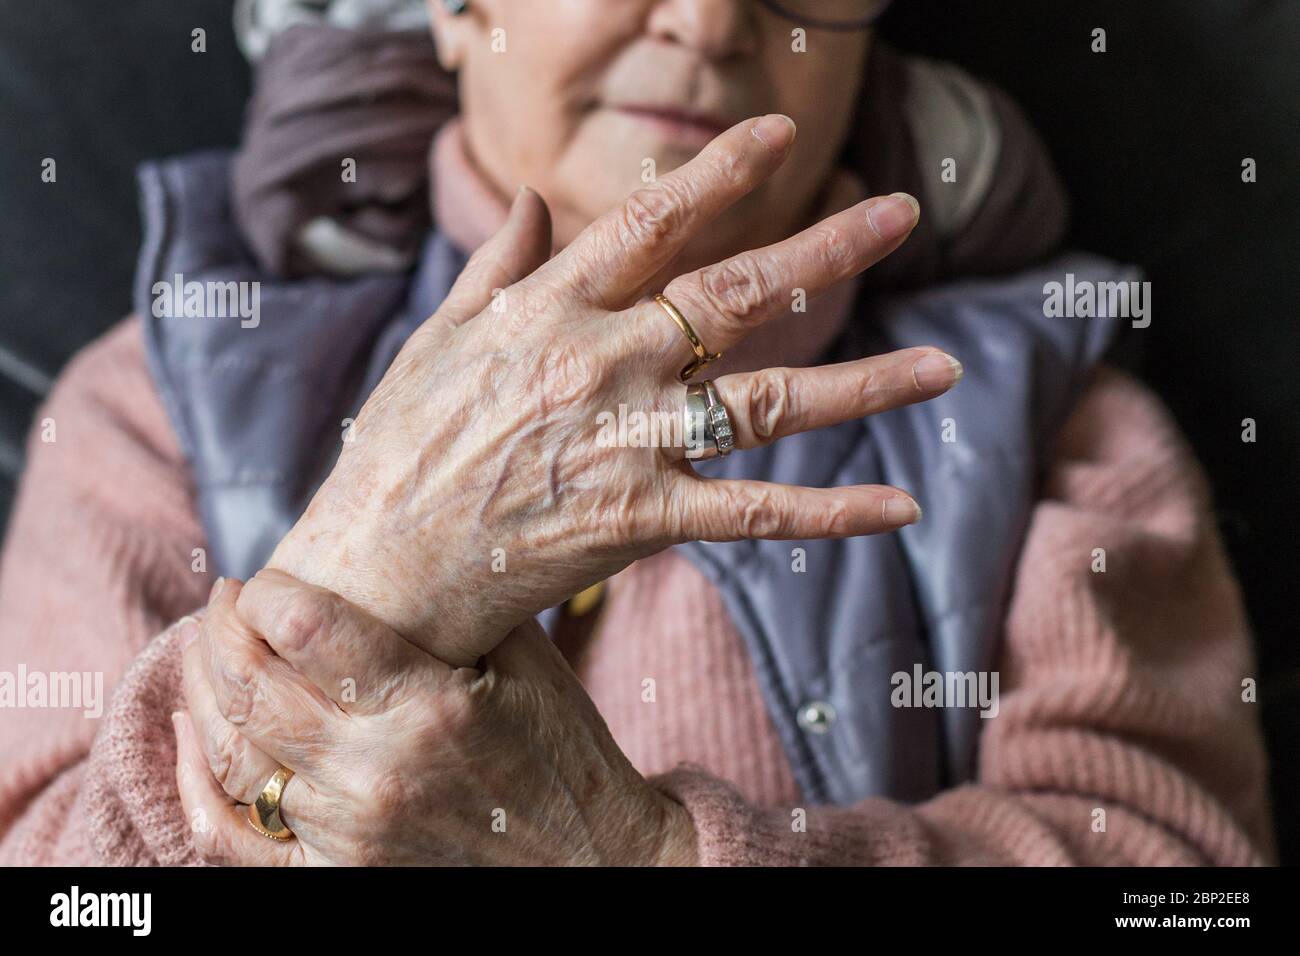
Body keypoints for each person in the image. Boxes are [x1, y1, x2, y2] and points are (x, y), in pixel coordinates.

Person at [0, 0, 1272, 865]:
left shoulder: (1054, 423)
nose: (712, 19)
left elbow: (1177, 872)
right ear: (452, 9)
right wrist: (367, 579)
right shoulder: (156, 400)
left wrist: (636, 850)